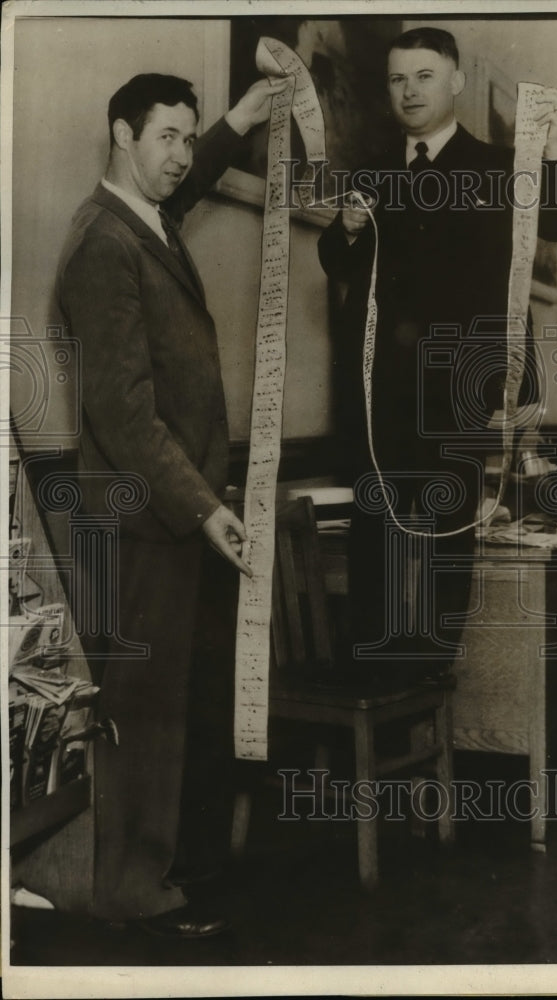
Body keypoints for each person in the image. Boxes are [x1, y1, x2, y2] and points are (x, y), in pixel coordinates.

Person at [55, 71, 288, 937]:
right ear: (122, 135)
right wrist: (203, 507)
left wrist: (240, 118)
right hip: (147, 520)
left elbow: (183, 185)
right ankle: (132, 894)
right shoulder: (103, 244)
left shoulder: (143, 216)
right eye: (167, 137)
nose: (182, 156)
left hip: (174, 516)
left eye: (190, 138)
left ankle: (178, 875)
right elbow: (124, 415)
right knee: (145, 713)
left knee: (183, 704)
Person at [317, 27, 557, 681]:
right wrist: (345, 230)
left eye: (424, 76)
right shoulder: (374, 172)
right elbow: (339, 264)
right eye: (397, 79)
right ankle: (373, 680)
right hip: (380, 398)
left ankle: (432, 683)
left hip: (459, 396)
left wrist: (555, 147)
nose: (409, 91)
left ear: (455, 83)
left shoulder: (500, 166)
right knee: (375, 534)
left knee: (448, 539)